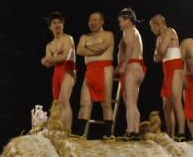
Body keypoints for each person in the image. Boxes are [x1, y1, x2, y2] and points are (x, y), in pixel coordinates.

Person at [76, 11, 116, 139]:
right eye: (90, 20)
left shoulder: (109, 34)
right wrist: (94, 48)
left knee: (106, 103)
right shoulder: (84, 36)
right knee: (84, 102)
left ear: (102, 21)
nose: (92, 22)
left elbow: (102, 48)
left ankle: (108, 134)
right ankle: (80, 133)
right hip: (90, 71)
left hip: (105, 69)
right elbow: (79, 50)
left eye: (95, 20)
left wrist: (88, 47)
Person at [40, 12, 76, 132]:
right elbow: (48, 65)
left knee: (64, 99)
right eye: (54, 23)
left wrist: (49, 58)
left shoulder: (68, 38)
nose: (57, 25)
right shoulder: (49, 45)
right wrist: (51, 58)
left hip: (68, 70)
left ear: (63, 25)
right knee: (58, 103)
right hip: (57, 73)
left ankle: (68, 131)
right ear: (50, 27)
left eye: (59, 22)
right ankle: (60, 129)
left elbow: (64, 57)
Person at [150, 14, 185, 139]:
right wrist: (159, 51)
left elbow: (161, 52)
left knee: (176, 100)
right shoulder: (159, 38)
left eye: (152, 27)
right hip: (167, 69)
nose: (151, 30)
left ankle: (181, 133)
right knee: (166, 105)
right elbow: (155, 58)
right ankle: (171, 134)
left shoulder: (170, 31)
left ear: (158, 24)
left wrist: (159, 51)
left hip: (175, 67)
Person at [115, 8, 146, 140]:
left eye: (121, 21)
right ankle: (134, 130)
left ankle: (130, 131)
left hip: (132, 66)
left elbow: (130, 49)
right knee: (132, 101)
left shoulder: (129, 31)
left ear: (127, 20)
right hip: (138, 67)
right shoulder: (135, 32)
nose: (120, 24)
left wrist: (123, 65)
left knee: (130, 101)